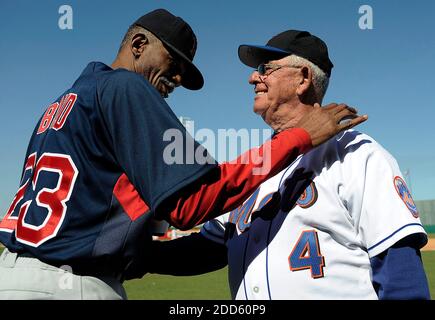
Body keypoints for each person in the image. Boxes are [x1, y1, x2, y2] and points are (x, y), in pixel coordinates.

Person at [0, 10, 366, 300]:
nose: (176, 79)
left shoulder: (65, 101)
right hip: (70, 285)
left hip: (14, 274)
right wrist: (299, 137)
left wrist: (144, 257)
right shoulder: (126, 86)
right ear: (139, 44)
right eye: (173, 64)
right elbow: (190, 205)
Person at [150, 30, 430, 300]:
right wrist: (137, 258)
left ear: (303, 79)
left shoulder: (358, 155)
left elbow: (400, 274)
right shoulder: (256, 164)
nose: (252, 77)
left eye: (265, 67)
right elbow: (209, 248)